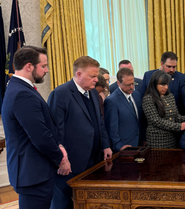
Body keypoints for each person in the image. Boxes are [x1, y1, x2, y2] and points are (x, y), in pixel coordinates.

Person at [1, 46, 71, 209]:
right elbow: (40, 136)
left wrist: (59, 145)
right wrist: (61, 158)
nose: (47, 70)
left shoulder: (19, 88)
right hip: (32, 174)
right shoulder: (22, 93)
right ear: (29, 66)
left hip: (32, 172)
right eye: (43, 66)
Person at [48, 56, 113, 209]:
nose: (96, 80)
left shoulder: (92, 93)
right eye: (92, 76)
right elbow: (55, 131)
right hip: (70, 163)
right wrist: (61, 160)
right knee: (64, 203)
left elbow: (99, 123)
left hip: (93, 161)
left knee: (87, 202)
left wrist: (106, 145)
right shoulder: (60, 94)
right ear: (78, 74)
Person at [142, 70, 185, 148]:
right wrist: (178, 126)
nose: (166, 87)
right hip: (157, 141)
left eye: (167, 84)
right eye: (163, 85)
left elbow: (175, 116)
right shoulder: (148, 99)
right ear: (154, 84)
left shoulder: (170, 96)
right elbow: (156, 121)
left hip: (171, 139)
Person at [104, 68, 144, 152]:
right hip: (124, 147)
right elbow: (112, 128)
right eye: (128, 85)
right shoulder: (112, 101)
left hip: (140, 144)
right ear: (119, 83)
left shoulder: (137, 95)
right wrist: (118, 145)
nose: (132, 87)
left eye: (133, 84)